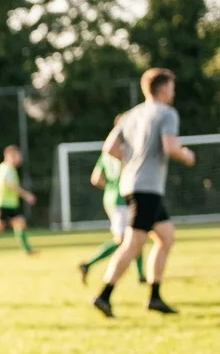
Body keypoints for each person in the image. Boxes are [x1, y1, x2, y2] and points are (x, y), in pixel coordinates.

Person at [92, 68, 195, 317]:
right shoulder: (167, 113)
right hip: (146, 187)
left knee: (166, 237)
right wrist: (187, 155)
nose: (173, 91)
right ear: (162, 89)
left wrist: (131, 161)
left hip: (134, 184)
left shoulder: (131, 114)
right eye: (171, 87)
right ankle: (104, 295)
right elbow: (170, 147)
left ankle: (154, 296)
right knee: (133, 244)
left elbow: (110, 147)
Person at [78, 114, 144, 285]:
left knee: (137, 234)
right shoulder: (126, 149)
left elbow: (96, 178)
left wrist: (110, 187)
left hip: (111, 197)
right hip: (122, 199)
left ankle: (141, 275)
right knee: (125, 239)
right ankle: (87, 264)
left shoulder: (107, 151)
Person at [0, 145, 37, 257]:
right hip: (3, 203)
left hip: (9, 203)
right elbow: (11, 185)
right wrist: (26, 195)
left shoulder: (9, 169)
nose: (20, 159)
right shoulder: (6, 168)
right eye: (18, 156)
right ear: (10, 156)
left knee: (20, 223)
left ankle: (27, 250)